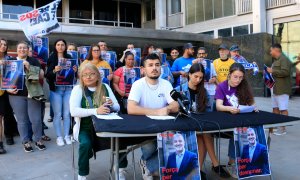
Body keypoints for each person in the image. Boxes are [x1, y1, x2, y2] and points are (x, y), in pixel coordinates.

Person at [127, 53, 179, 179]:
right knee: (150, 147)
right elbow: (131, 108)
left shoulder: (166, 84)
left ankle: (147, 164)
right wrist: (157, 112)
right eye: (150, 65)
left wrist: (166, 108)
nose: (154, 68)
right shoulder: (138, 84)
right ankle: (150, 163)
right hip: (144, 127)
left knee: (173, 145)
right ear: (143, 69)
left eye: (157, 65)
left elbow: (176, 105)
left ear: (161, 67)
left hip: (164, 126)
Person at [175, 63, 230, 178]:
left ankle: (198, 169)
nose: (198, 80)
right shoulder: (178, 90)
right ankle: (215, 164)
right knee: (203, 133)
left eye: (200, 78)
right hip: (185, 124)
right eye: (195, 76)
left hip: (200, 124)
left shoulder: (203, 92)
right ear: (189, 75)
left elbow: (208, 112)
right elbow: (175, 111)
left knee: (202, 134)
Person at [70, 63, 120, 180]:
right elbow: (73, 111)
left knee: (120, 140)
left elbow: (117, 107)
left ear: (97, 76)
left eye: (92, 74)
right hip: (85, 128)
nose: (88, 77)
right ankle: (82, 174)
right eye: (85, 75)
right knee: (85, 144)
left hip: (106, 126)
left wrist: (112, 106)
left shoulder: (105, 87)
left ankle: (120, 170)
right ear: (81, 77)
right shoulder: (78, 89)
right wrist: (96, 111)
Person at [215, 63, 256, 178]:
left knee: (253, 129)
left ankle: (248, 161)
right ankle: (232, 163)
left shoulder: (244, 86)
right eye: (235, 77)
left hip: (241, 118)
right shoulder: (221, 86)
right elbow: (219, 106)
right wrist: (229, 108)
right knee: (237, 131)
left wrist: (253, 107)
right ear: (229, 75)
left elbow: (251, 102)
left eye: (240, 77)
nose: (238, 80)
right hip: (225, 121)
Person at [7, 41, 46, 152]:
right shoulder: (10, 61)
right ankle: (26, 142)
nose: (22, 50)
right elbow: (4, 79)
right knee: (22, 120)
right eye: (20, 48)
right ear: (16, 50)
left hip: (33, 93)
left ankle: (38, 140)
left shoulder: (34, 61)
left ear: (28, 49)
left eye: (24, 48)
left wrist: (29, 67)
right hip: (16, 95)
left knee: (36, 119)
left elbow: (38, 77)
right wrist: (7, 88)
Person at [46, 39, 75, 146]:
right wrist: (54, 71)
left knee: (67, 114)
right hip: (56, 89)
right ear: (55, 46)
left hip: (68, 89)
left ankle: (67, 135)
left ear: (65, 46)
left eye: (62, 44)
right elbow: (47, 75)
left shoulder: (70, 58)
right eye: (58, 44)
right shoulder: (51, 58)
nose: (60, 46)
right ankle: (59, 137)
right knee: (57, 114)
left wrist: (75, 71)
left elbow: (73, 76)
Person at [266, 43, 292, 135]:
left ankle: (283, 129)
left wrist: (272, 71)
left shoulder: (284, 59)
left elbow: (286, 72)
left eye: (271, 50)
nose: (270, 52)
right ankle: (276, 127)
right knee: (275, 108)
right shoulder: (276, 61)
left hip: (282, 89)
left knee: (283, 109)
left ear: (276, 50)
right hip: (275, 89)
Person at [0, 38, 18, 146]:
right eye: (1, 44)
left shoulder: (10, 59)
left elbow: (16, 72)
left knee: (7, 114)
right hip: (1, 90)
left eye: (5, 45)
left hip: (9, 90)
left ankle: (8, 135)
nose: (3, 46)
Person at [192, 47, 217, 111]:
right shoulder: (194, 64)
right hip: (199, 90)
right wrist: (193, 64)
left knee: (210, 109)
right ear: (197, 55)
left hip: (210, 90)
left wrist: (213, 80)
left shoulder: (211, 64)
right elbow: (189, 75)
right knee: (199, 108)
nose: (201, 55)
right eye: (199, 54)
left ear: (206, 54)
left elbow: (215, 77)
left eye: (203, 53)